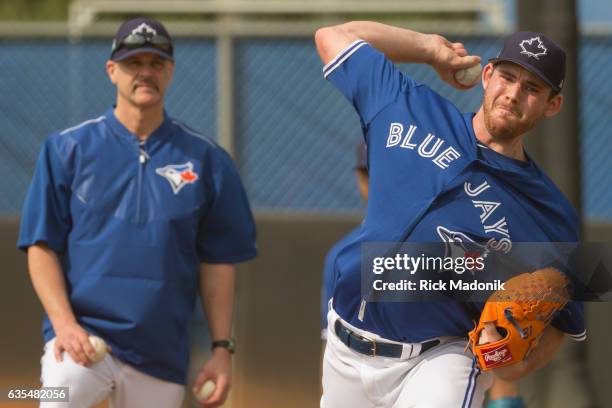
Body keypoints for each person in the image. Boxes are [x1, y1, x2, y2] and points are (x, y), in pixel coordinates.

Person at [314, 21, 586, 407]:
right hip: (344, 346)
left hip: (440, 358)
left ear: (552, 104)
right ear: (487, 75)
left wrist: (507, 365)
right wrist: (428, 48)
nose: (512, 94)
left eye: (532, 88)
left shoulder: (551, 212)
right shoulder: (408, 106)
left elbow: (566, 324)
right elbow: (331, 36)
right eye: (507, 77)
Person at [18, 17, 256, 408]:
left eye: (156, 63)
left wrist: (221, 349)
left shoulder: (208, 160)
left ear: (171, 71)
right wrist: (64, 324)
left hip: (160, 352)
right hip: (80, 340)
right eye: (134, 63)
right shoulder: (67, 149)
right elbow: (40, 246)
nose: (145, 72)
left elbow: (218, 263)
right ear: (112, 71)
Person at [320, 142, 368, 342]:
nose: (375, 182)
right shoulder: (341, 256)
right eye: (367, 174)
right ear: (359, 178)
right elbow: (330, 337)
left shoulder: (444, 247)